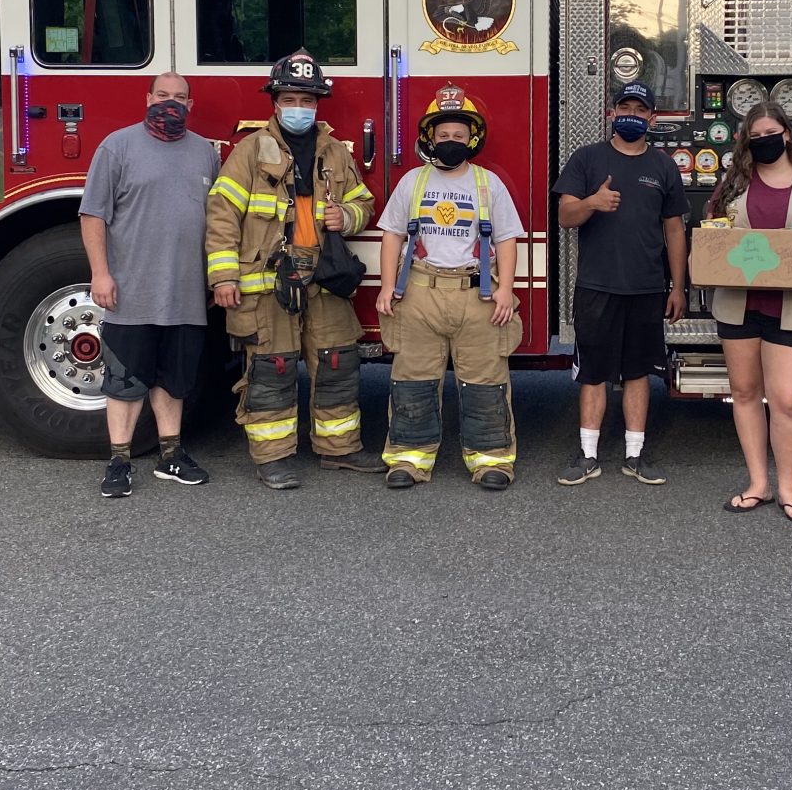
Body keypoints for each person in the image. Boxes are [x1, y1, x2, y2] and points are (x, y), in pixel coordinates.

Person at [204, 51, 380, 488]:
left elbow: (364, 202)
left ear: (317, 103)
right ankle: (272, 457)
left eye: (307, 99)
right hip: (268, 283)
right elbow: (222, 214)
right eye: (290, 98)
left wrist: (348, 218)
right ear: (275, 102)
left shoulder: (335, 151)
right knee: (271, 367)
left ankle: (340, 448)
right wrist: (223, 277)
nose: (299, 107)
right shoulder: (249, 151)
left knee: (337, 363)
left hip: (324, 278)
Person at [374, 86, 525, 490]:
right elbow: (391, 236)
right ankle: (408, 459)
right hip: (420, 291)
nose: (451, 143)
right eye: (443, 137)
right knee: (413, 379)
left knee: (485, 381)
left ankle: (492, 461)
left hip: (476, 293)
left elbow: (507, 239)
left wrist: (506, 290)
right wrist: (387, 286)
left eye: (459, 136)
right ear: (430, 139)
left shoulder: (488, 183)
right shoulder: (412, 181)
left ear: (472, 139)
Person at [79, 71, 217, 499]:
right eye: (162, 95)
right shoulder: (116, 147)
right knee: (124, 380)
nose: (170, 103)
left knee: (174, 381)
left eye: (179, 97)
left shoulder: (206, 154)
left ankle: (170, 455)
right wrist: (100, 273)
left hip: (186, 293)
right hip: (131, 291)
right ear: (147, 98)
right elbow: (92, 215)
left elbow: (217, 223)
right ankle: (119, 460)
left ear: (190, 105)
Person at [707, 102, 792, 523]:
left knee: (785, 401)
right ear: (747, 140)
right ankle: (757, 484)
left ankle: (788, 488)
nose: (765, 140)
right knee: (745, 394)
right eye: (756, 134)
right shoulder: (732, 185)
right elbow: (711, 235)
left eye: (771, 131)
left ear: (787, 134)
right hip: (738, 303)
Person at [551, 81, 688, 487]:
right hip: (597, 285)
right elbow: (564, 216)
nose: (631, 114)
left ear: (652, 118)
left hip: (647, 287)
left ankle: (635, 453)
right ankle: (588, 454)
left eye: (639, 109)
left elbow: (675, 230)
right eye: (624, 106)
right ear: (611, 113)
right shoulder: (588, 158)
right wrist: (592, 202)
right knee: (592, 373)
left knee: (638, 372)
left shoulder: (663, 166)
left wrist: (677, 287)